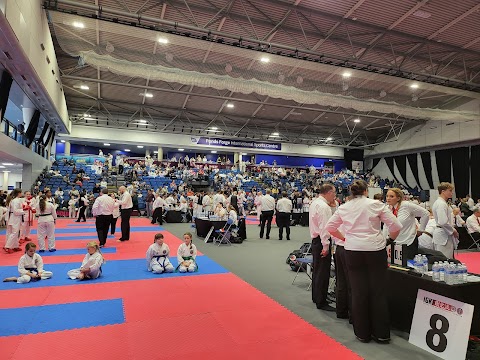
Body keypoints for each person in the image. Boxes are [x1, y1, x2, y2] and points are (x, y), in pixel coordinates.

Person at [326, 180, 402, 344]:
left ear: (351, 192)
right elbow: (396, 226)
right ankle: (381, 334)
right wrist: (388, 240)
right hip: (375, 250)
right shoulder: (376, 204)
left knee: (358, 291)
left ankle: (362, 333)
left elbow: (330, 227)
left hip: (353, 250)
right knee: (378, 291)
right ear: (366, 191)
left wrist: (345, 238)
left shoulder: (344, 207)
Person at [309, 184, 336, 312]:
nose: (335, 196)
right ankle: (321, 300)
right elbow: (325, 228)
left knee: (317, 270)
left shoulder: (315, 202)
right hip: (321, 241)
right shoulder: (324, 207)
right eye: (334, 193)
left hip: (315, 239)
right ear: (329, 192)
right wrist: (326, 246)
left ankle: (316, 296)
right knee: (323, 272)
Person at [385, 188, 429, 261]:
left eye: (391, 196)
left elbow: (425, 213)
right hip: (393, 242)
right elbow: (386, 226)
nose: (388, 198)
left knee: (408, 266)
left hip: (408, 241)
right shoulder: (387, 208)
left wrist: (421, 229)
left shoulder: (407, 205)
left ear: (398, 198)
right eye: (387, 196)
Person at [432, 182, 458, 259]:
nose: (452, 193)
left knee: (444, 258)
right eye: (450, 190)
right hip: (443, 234)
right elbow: (443, 222)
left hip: (442, 232)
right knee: (445, 259)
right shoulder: (441, 204)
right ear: (443, 191)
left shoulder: (441, 202)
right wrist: (453, 230)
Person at [4, 189, 24, 253]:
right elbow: (15, 211)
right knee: (14, 233)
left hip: (15, 217)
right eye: (21, 192)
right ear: (18, 193)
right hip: (15, 217)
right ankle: (8, 246)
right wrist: (23, 210)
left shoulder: (16, 200)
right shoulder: (15, 201)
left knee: (16, 232)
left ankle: (15, 246)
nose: (22, 194)